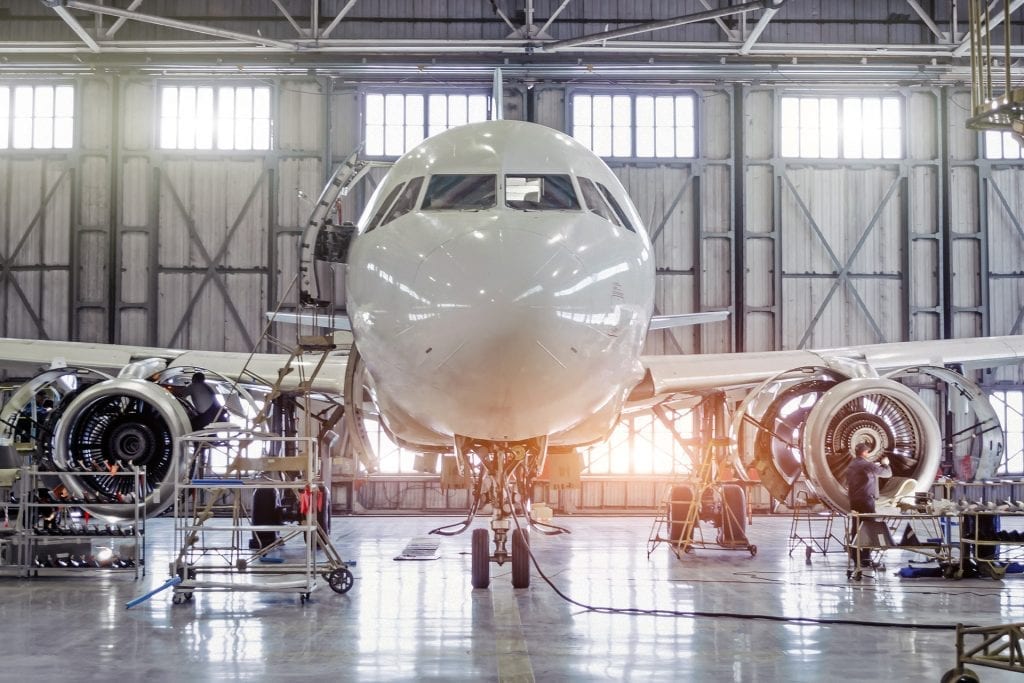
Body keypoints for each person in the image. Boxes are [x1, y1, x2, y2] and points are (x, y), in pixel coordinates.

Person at [846, 442, 892, 567]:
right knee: (867, 529)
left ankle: (856, 557)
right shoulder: (867, 465)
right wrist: (885, 464)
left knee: (856, 528)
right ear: (865, 453)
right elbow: (887, 474)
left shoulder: (852, 464)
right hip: (866, 501)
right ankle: (866, 558)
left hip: (854, 501)